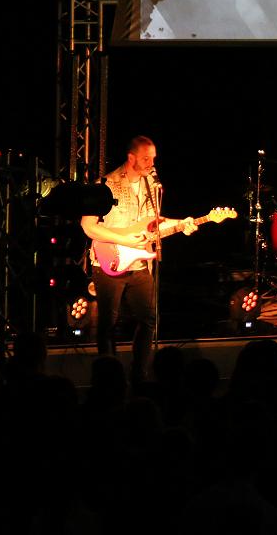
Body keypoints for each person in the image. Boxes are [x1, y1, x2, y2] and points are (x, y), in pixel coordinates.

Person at [80, 135, 198, 384]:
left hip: (139, 262)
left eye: (153, 158)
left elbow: (153, 223)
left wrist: (183, 224)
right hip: (108, 261)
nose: (151, 164)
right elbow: (88, 226)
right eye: (146, 158)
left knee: (148, 319)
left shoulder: (151, 185)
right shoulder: (104, 184)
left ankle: (139, 375)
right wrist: (124, 240)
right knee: (107, 323)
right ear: (131, 157)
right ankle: (108, 378)